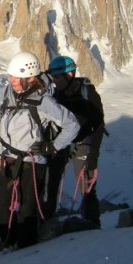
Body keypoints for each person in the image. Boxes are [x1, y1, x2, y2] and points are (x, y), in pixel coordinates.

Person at [0, 51, 80, 252]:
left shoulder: (44, 101)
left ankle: (26, 246)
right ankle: (7, 240)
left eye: (16, 77)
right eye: (11, 76)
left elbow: (72, 125)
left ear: (30, 78)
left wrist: (52, 146)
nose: (11, 81)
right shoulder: (4, 94)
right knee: (3, 202)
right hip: (8, 157)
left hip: (32, 159)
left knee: (28, 205)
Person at [46, 56, 105, 228]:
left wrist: (93, 154)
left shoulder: (87, 92)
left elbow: (98, 124)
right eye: (53, 77)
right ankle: (47, 217)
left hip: (84, 142)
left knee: (86, 185)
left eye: (57, 77)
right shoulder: (54, 93)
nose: (54, 81)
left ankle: (92, 222)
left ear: (69, 75)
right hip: (62, 142)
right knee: (51, 179)